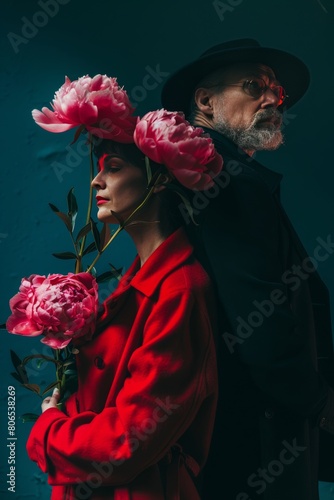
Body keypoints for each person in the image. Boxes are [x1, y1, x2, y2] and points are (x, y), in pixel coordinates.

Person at [161, 38, 334, 500]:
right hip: (254, 435)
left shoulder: (214, 175)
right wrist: (318, 402)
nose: (274, 99)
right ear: (205, 101)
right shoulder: (228, 179)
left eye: (278, 92)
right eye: (255, 85)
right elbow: (261, 319)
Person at [25, 96, 223, 498]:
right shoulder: (140, 281)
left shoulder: (180, 288)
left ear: (161, 179)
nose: (96, 182)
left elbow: (130, 440)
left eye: (113, 169)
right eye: (98, 171)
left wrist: (49, 430)